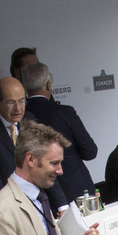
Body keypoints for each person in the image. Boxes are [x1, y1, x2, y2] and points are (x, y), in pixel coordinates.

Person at [20, 62, 98, 211]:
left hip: (41, 196)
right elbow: (90, 151)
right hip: (77, 191)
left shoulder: (21, 118)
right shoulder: (65, 113)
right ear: (48, 85)